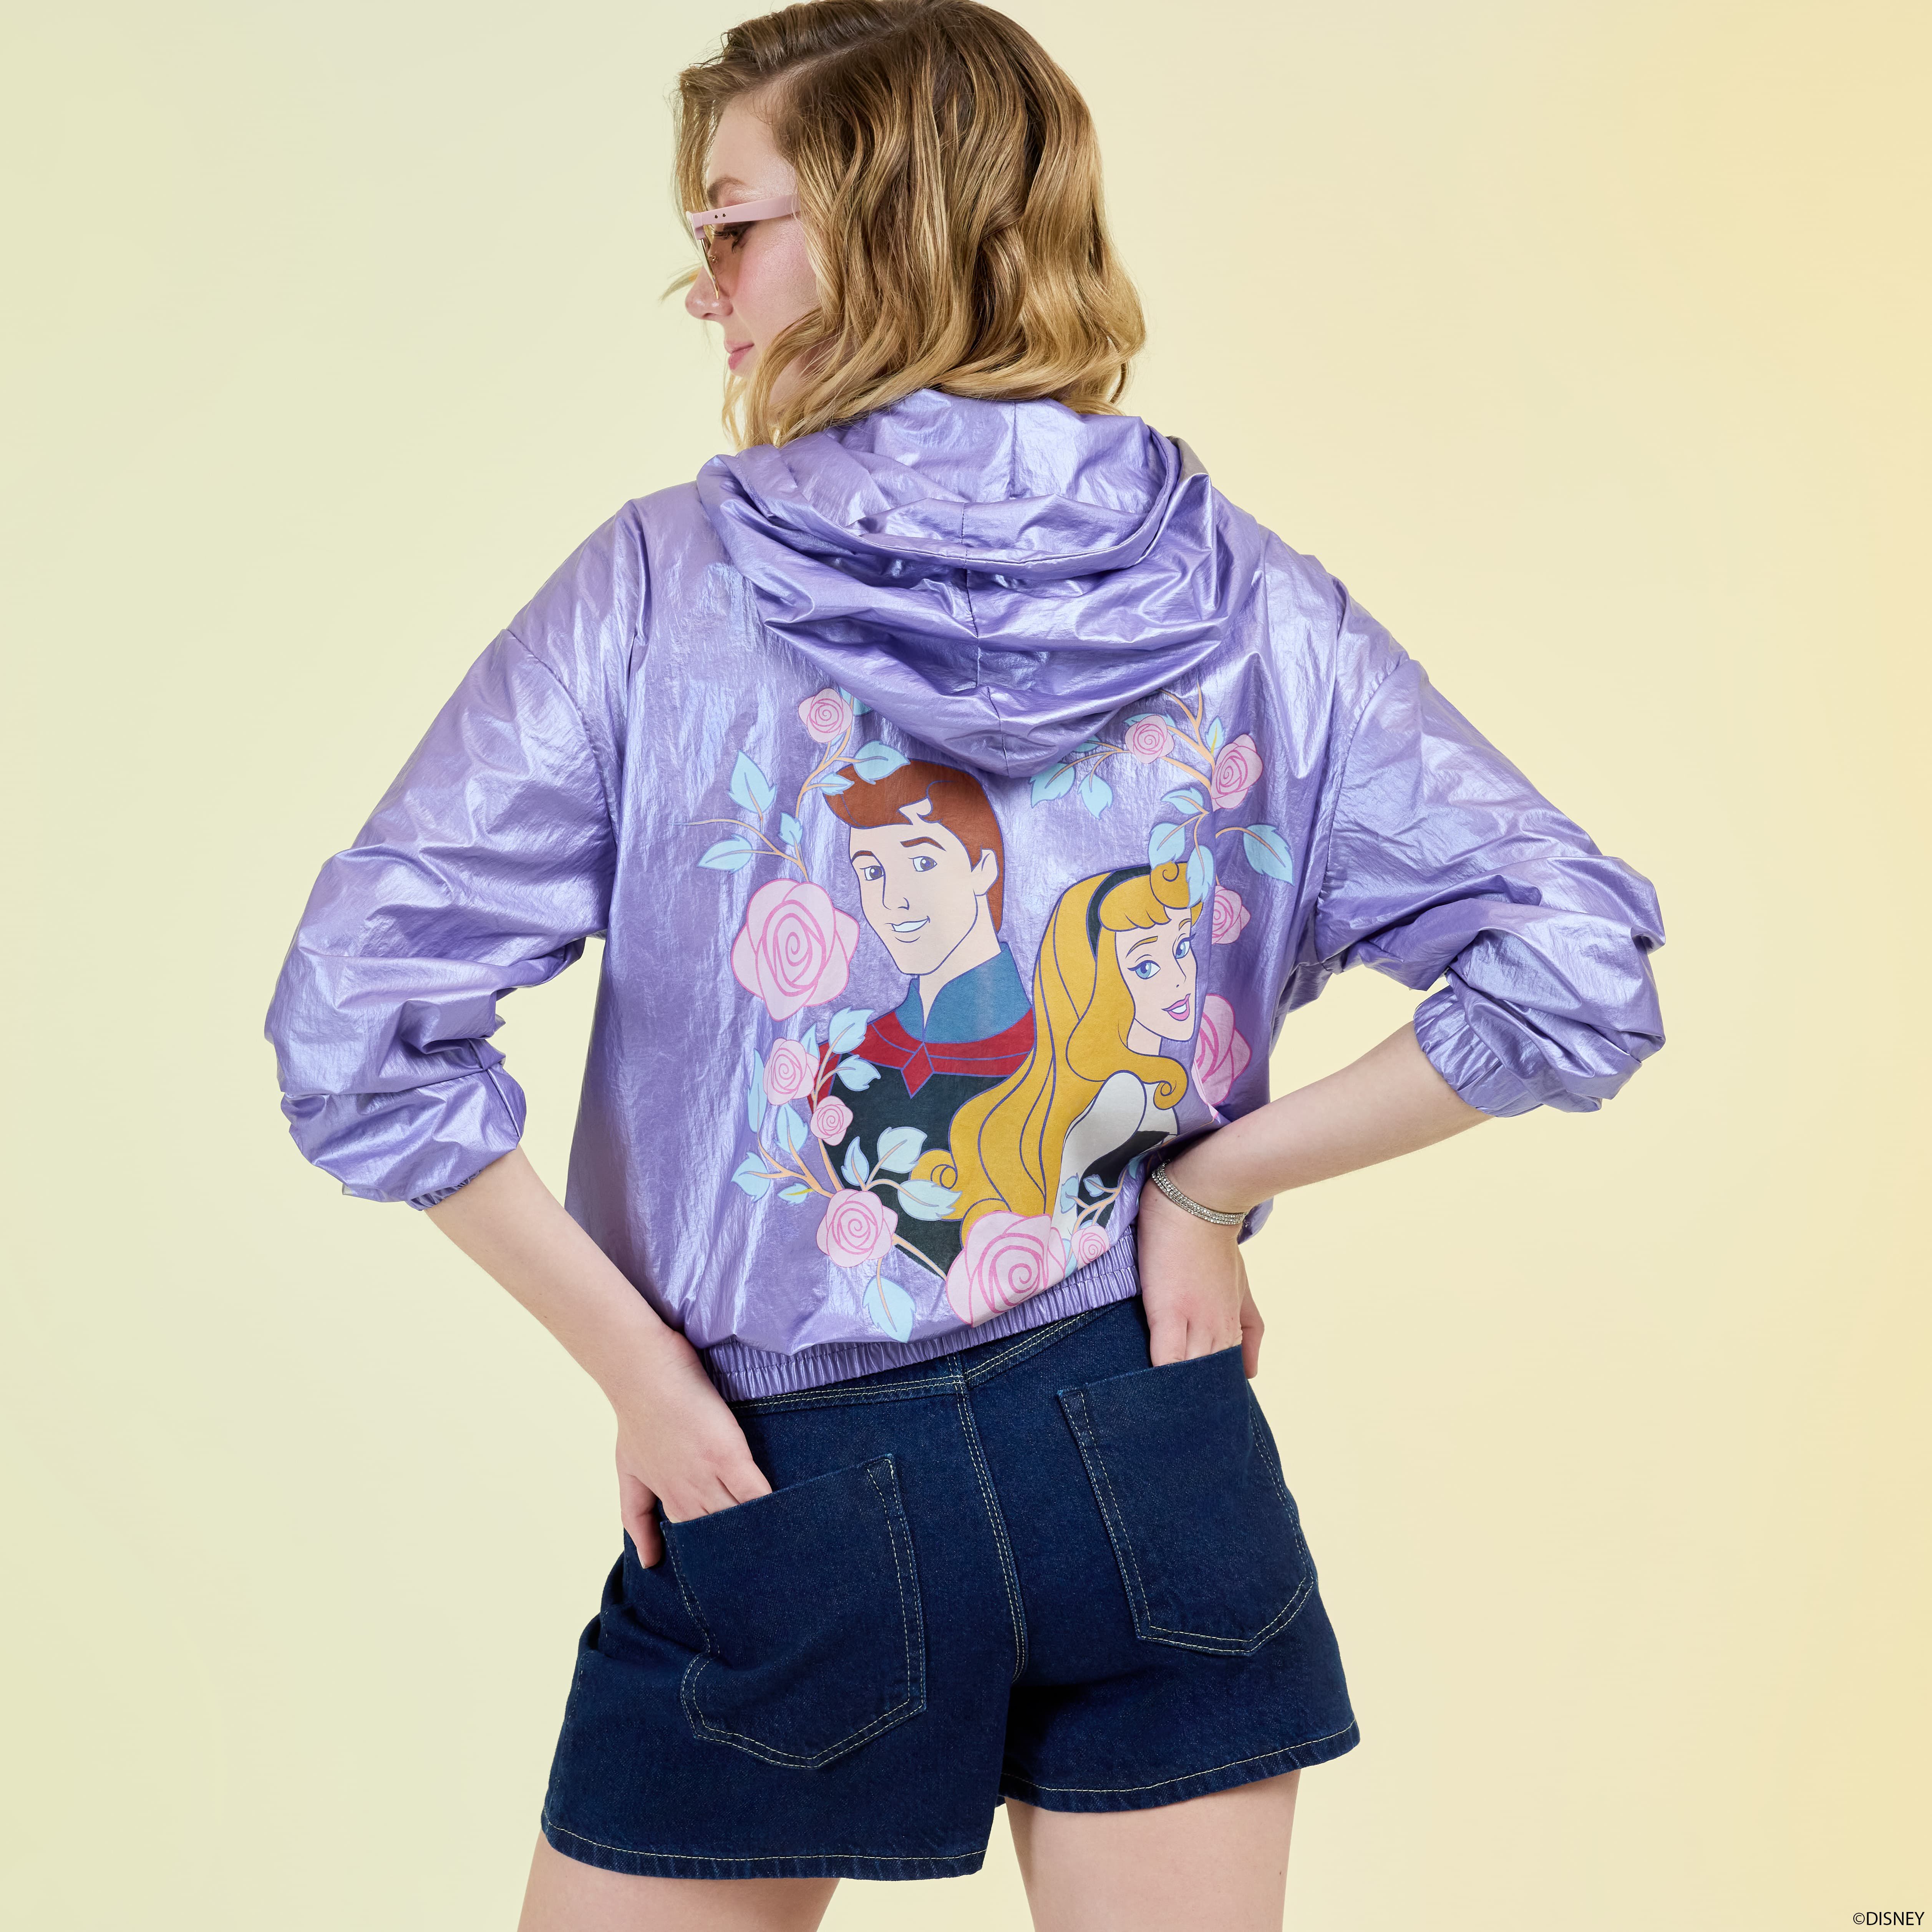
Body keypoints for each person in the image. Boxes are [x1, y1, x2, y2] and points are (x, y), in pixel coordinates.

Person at [264, 3, 1667, 1927]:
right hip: (1154, 1445)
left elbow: (357, 1017)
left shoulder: (664, 586)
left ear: (882, 228)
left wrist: (643, 1375)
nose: (702, 287)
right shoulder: (1247, 596)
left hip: (783, 1485)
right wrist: (1205, 1184)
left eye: (730, 226)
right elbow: (1573, 962)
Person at [819, 757, 1034, 1279]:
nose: (892, 901)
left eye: (921, 862)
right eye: (872, 871)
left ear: (983, 867)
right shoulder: (838, 1063)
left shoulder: (1055, 1057)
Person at [940, 863, 1201, 1260]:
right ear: (1096, 980)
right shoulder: (1126, 1092)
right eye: (1146, 966)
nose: (1181, 977)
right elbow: (1063, 1233)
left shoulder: (1136, 1087)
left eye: (1182, 946)